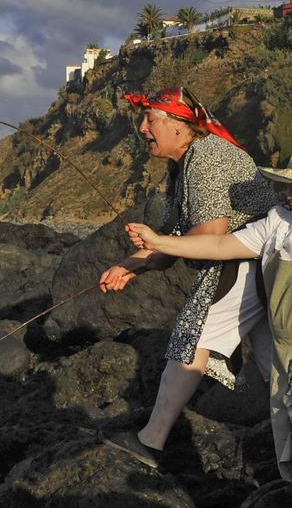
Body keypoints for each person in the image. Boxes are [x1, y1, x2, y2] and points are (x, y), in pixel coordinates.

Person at [127, 139, 292, 494]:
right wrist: (159, 243)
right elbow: (221, 246)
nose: (289, 194)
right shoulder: (280, 225)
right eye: (289, 186)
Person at [100, 88, 279, 468]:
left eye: (150, 119)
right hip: (256, 262)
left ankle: (151, 441)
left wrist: (152, 250)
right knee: (275, 365)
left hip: (241, 261)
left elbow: (209, 235)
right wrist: (130, 266)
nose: (142, 128)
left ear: (180, 127)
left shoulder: (208, 156)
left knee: (190, 340)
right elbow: (170, 240)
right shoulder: (184, 164)